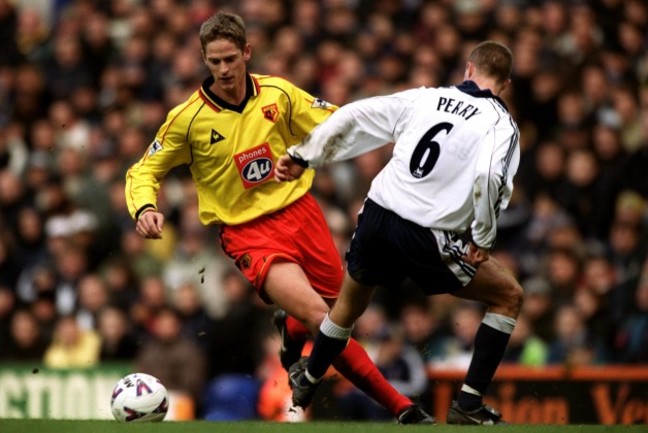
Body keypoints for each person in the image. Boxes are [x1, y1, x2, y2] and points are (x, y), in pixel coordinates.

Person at [125, 12, 430, 424]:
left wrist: (402, 125)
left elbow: (336, 122)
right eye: (214, 62)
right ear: (203, 60)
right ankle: (403, 408)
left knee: (343, 319)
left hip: (303, 215)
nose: (224, 69)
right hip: (248, 233)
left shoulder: (279, 95)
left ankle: (293, 331)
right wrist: (144, 207)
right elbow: (144, 169)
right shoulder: (188, 120)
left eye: (230, 58)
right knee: (321, 317)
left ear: (247, 51)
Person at [276, 40, 523, 425]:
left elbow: (356, 115)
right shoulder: (500, 124)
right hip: (427, 232)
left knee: (347, 307)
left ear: (468, 70)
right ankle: (469, 405)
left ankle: (308, 378)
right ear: (505, 83)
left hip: (377, 214)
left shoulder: (425, 99)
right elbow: (491, 176)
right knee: (508, 295)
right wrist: (482, 237)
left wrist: (303, 155)